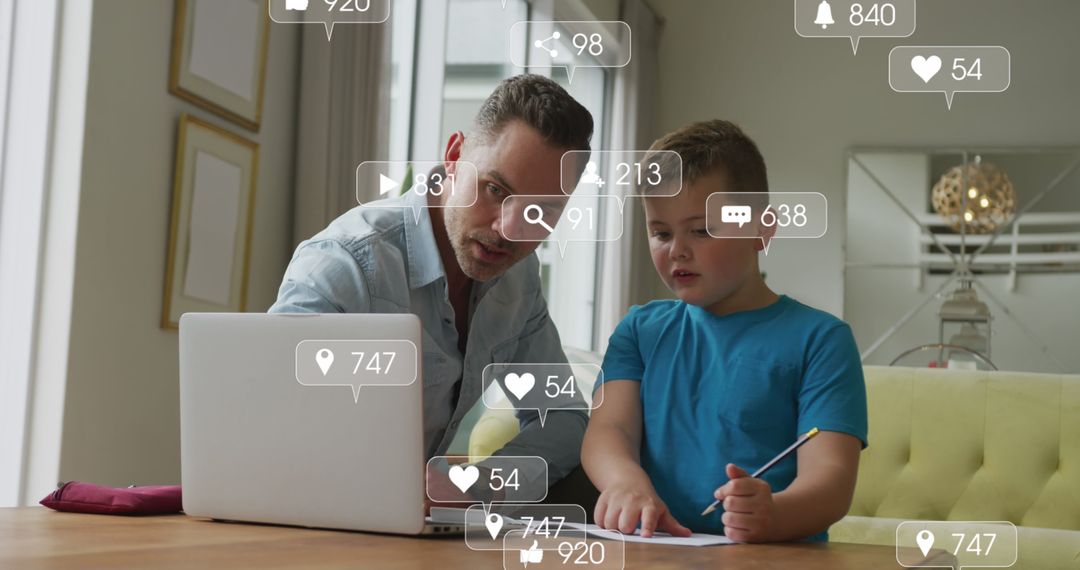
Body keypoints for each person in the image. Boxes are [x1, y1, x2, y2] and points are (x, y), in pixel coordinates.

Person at [269, 74, 595, 499]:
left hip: (414, 535)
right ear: (455, 155)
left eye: (539, 211)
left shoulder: (519, 277)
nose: (509, 231)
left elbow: (563, 419)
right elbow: (269, 419)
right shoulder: (346, 263)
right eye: (495, 190)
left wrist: (472, 483)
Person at [581, 119, 868, 542]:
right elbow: (609, 430)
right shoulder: (639, 331)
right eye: (660, 232)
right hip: (655, 552)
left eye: (701, 230)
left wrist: (775, 513)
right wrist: (625, 483)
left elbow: (831, 479)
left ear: (761, 228)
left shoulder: (822, 341)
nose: (677, 249)